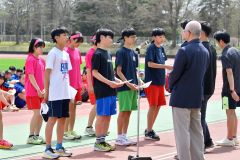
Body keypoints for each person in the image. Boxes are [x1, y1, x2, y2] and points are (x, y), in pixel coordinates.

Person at [169, 20, 209, 160]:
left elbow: (175, 73)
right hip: (196, 96)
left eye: (184, 30)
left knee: (182, 133)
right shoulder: (205, 50)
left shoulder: (184, 50)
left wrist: (169, 85)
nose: (182, 32)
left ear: (189, 32)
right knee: (197, 132)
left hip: (181, 97)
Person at [43, 26, 72, 159]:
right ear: (56, 38)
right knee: (52, 119)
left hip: (65, 93)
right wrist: (46, 93)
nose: (67, 37)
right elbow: (47, 74)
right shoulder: (53, 53)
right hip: (54, 93)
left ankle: (59, 146)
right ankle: (48, 149)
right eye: (64, 35)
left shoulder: (66, 54)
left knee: (63, 120)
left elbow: (66, 74)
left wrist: (70, 93)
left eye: (67, 35)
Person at [92, 28, 123, 152]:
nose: (111, 40)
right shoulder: (97, 54)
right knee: (102, 115)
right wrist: (110, 82)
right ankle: (98, 142)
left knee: (108, 115)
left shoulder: (109, 54)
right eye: (109, 37)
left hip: (111, 90)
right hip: (102, 90)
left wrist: (116, 80)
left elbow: (109, 74)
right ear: (102, 38)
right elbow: (95, 72)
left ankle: (103, 140)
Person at [144, 27, 173, 140]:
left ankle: (149, 128)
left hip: (160, 82)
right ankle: (149, 130)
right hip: (152, 82)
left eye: (163, 36)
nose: (162, 38)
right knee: (152, 106)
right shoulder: (151, 48)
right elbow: (150, 64)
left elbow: (163, 61)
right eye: (160, 36)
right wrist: (166, 66)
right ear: (154, 37)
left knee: (158, 105)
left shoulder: (161, 48)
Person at [214, 31, 240, 147]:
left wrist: (231, 90)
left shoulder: (225, 55)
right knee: (233, 112)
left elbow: (229, 73)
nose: (217, 44)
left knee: (229, 112)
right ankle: (234, 137)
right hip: (237, 87)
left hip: (228, 90)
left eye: (217, 42)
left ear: (221, 41)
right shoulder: (236, 51)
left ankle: (229, 138)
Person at [115, 27, 138, 146]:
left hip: (134, 87)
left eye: (135, 36)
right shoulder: (121, 52)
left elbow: (135, 70)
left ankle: (124, 135)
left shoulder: (134, 53)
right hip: (125, 87)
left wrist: (139, 82)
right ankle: (119, 137)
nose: (134, 39)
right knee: (123, 111)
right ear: (125, 38)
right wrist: (128, 83)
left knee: (129, 111)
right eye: (132, 37)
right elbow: (118, 71)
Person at [25, 38, 46, 145]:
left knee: (41, 114)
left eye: (43, 47)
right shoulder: (30, 59)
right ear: (34, 47)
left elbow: (45, 76)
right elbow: (31, 76)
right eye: (40, 46)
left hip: (41, 91)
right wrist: (38, 89)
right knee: (37, 113)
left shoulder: (42, 60)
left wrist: (45, 89)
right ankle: (31, 136)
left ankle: (37, 135)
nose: (42, 49)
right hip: (33, 91)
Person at [200, 21, 217, 149]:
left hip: (203, 87)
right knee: (201, 115)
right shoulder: (211, 47)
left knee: (199, 117)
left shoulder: (202, 48)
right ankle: (207, 141)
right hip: (209, 86)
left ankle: (201, 145)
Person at [64, 31, 84, 140]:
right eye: (77, 42)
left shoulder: (77, 51)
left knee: (74, 108)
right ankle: (65, 131)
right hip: (68, 84)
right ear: (71, 39)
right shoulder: (65, 51)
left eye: (80, 43)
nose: (78, 44)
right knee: (68, 108)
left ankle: (71, 130)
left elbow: (78, 68)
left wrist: (80, 82)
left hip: (76, 84)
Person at [84, 34, 97, 136]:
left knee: (100, 105)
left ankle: (98, 127)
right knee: (97, 105)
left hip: (101, 84)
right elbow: (88, 70)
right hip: (94, 83)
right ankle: (89, 127)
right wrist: (90, 85)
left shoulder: (100, 52)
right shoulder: (90, 53)